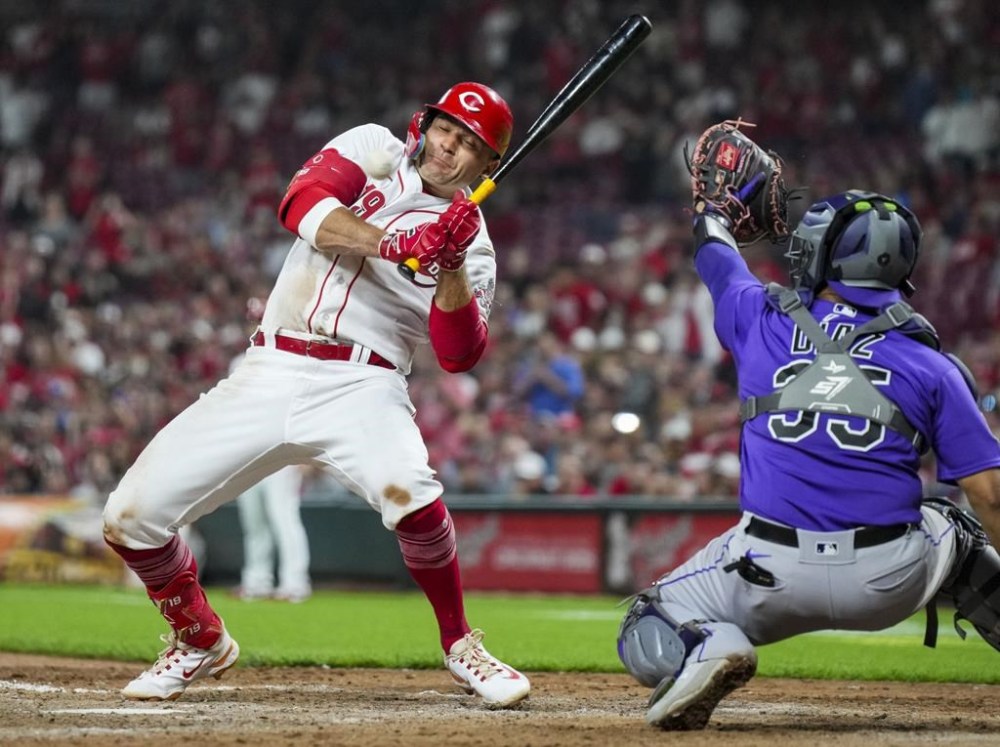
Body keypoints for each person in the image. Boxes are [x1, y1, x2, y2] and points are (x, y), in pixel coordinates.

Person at [102, 81, 530, 707]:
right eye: (446, 129)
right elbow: (301, 204)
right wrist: (396, 243)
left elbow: (459, 355)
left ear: (487, 165)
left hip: (364, 382)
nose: (449, 147)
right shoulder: (374, 150)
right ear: (425, 123)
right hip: (270, 366)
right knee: (128, 519)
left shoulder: (478, 246)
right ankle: (198, 637)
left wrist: (453, 263)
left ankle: (461, 643)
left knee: (411, 493)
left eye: (468, 144)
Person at [617, 125, 1000, 731]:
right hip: (887, 579)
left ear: (826, 256)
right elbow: (990, 494)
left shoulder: (758, 317)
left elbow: (715, 255)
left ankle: (708, 645)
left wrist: (710, 211)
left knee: (647, 618)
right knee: (953, 523)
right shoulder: (934, 364)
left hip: (765, 572)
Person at [234, 465, 312, 603]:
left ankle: (294, 584)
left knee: (285, 522)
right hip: (248, 462)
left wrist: (304, 457)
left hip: (281, 462)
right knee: (254, 525)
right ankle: (257, 583)